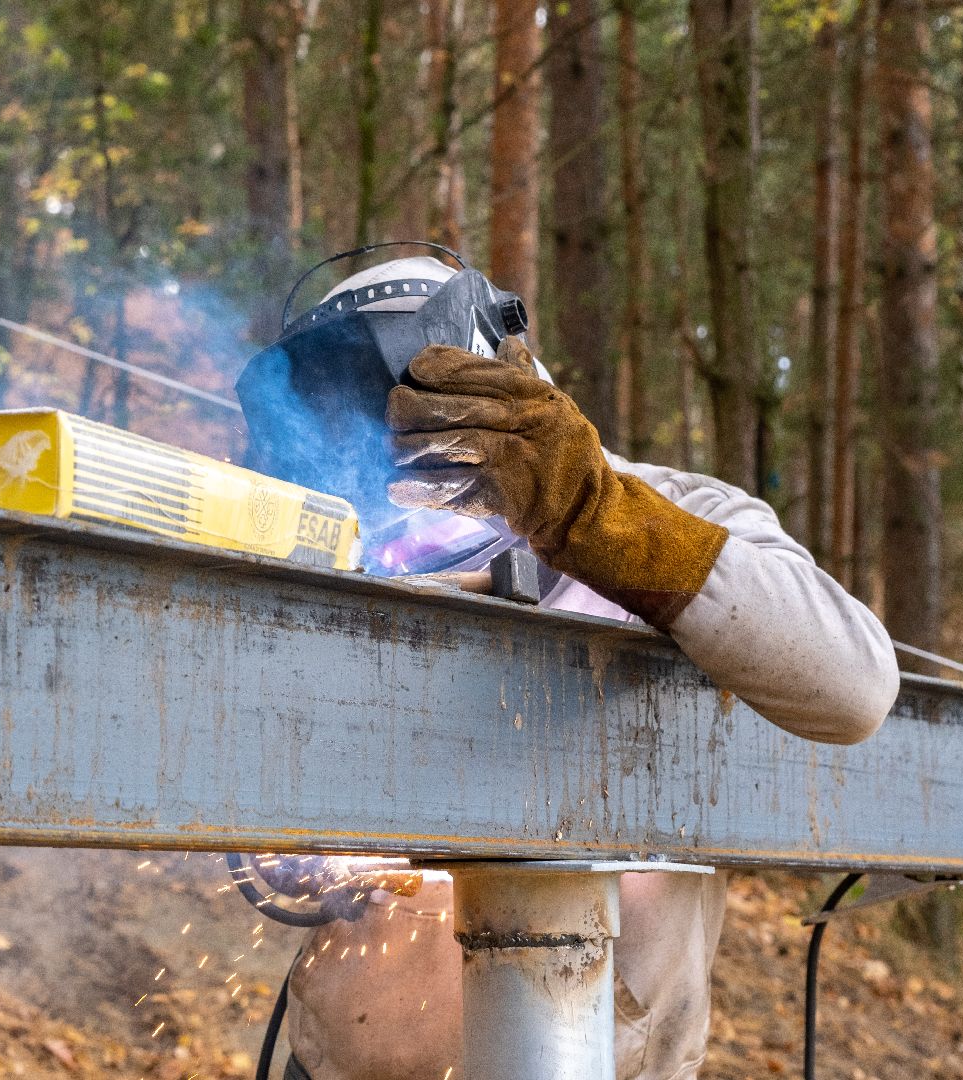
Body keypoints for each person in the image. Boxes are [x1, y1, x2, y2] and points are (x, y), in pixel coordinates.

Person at [244, 255, 900, 1080]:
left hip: (598, 1056)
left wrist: (590, 517)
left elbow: (855, 686)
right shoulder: (338, 537)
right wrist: (288, 866)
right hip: (349, 1063)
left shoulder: (664, 510)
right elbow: (262, 798)